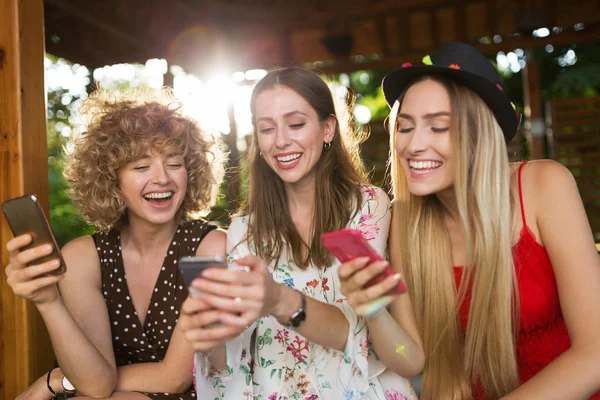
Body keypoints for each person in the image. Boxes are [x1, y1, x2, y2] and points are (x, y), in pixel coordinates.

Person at [351, 41, 600, 399]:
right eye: (405, 127)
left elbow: (594, 353)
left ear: (479, 133)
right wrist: (374, 311)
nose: (413, 145)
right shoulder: (405, 222)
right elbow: (411, 359)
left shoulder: (545, 185)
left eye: (438, 126)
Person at [178, 66, 423, 399]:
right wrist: (210, 336)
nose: (281, 141)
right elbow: (230, 365)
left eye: (295, 124)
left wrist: (278, 298)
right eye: (267, 128)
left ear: (327, 129)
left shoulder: (368, 207)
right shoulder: (243, 231)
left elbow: (359, 337)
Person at [4, 87, 227, 399]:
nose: (162, 178)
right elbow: (96, 386)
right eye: (141, 166)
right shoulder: (85, 257)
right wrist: (47, 300)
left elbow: (173, 379)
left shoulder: (211, 248)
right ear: (112, 179)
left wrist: (58, 380)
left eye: (174, 163)